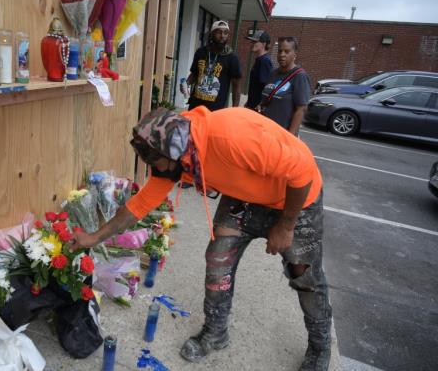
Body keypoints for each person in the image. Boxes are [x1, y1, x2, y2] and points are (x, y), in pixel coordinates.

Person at [70, 107, 333, 371]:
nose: (155, 170)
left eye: (157, 164)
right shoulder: (177, 157)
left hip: (296, 199)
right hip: (246, 199)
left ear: (175, 152)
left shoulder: (230, 137)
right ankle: (215, 333)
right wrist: (94, 238)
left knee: (304, 274)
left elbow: (302, 168)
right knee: (218, 259)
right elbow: (139, 206)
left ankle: (320, 347)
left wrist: (286, 226)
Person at [181, 20, 242, 111]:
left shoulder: (232, 58)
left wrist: (234, 110)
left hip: (216, 110)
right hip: (195, 106)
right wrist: (186, 84)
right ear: (212, 34)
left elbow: (236, 86)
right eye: (219, 32)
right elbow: (194, 74)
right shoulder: (201, 52)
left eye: (225, 33)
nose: (222, 36)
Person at [259, 36, 311, 136]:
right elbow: (267, 98)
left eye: (287, 52)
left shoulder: (300, 76)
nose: (282, 55)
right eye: (280, 51)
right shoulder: (273, 73)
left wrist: (290, 136)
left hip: (282, 135)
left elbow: (301, 109)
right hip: (265, 132)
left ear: (295, 55)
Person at [244, 30, 273, 110]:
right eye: (252, 41)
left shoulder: (264, 61)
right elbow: (256, 87)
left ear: (263, 44)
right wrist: (249, 101)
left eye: (255, 42)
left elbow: (268, 87)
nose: (252, 44)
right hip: (252, 105)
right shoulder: (260, 60)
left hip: (257, 108)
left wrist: (260, 104)